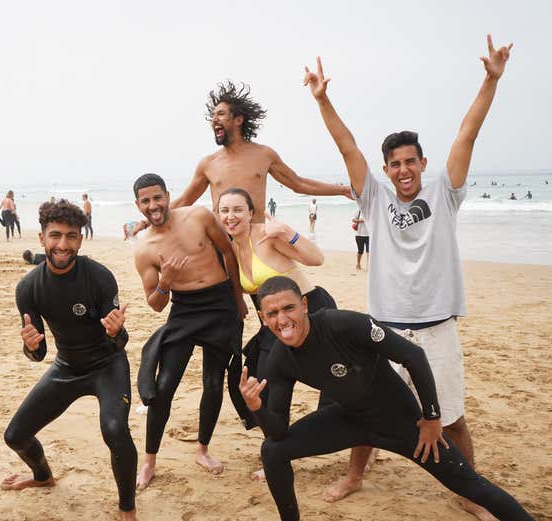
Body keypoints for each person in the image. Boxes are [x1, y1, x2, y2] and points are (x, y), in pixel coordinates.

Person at [304, 35, 513, 518]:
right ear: (386, 169)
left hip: (437, 327)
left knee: (454, 418)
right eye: (394, 164)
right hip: (384, 328)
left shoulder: (445, 192)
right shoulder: (373, 198)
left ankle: (468, 490)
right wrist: (323, 99)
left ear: (422, 163)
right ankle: (356, 475)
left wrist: (490, 79)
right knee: (364, 409)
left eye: (410, 161)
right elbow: (346, 145)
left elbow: (467, 133)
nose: (403, 170)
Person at [240, 277, 533, 521]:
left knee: (470, 484)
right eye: (272, 314)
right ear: (263, 320)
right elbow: (277, 431)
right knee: (272, 451)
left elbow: (412, 355)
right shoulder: (279, 358)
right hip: (350, 420)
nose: (282, 319)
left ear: (304, 305)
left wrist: (431, 418)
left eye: (288, 308)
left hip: (401, 423)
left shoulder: (342, 324)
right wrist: (257, 409)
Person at [2, 200, 137, 520]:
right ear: (41, 239)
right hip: (66, 367)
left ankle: (127, 509)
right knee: (15, 436)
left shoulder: (99, 277)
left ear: (81, 238)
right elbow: (39, 354)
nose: (63, 245)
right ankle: (42, 476)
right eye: (56, 236)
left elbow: (119, 341)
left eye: (71, 236)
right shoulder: (28, 288)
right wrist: (31, 346)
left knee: (115, 430)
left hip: (107, 365)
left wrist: (118, 332)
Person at [132, 173, 248, 490]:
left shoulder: (198, 216)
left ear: (168, 195)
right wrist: (166, 282)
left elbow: (227, 252)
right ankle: (149, 462)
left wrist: (237, 298)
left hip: (220, 304)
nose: (153, 205)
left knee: (213, 382)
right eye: (145, 201)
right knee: (164, 387)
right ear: (138, 205)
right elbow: (155, 304)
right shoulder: (145, 250)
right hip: (183, 310)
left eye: (157, 197)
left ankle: (203, 450)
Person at [217, 187, 335, 480]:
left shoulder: (267, 237)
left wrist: (288, 232)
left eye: (237, 210)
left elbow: (316, 258)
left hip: (312, 312)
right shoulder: (231, 247)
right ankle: (277, 450)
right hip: (276, 324)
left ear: (250, 213)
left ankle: (361, 444)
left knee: (336, 382)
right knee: (256, 380)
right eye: (224, 211)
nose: (231, 217)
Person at [128, 81, 350, 236]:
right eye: (212, 115)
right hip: (223, 241)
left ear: (238, 120)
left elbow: (299, 183)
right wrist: (146, 223)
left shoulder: (264, 155)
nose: (214, 119)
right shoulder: (208, 164)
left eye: (221, 114)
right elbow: (184, 201)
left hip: (258, 239)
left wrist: (341, 190)